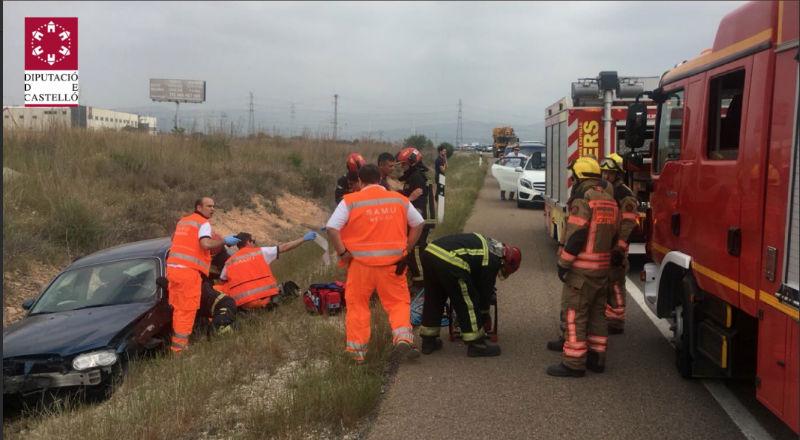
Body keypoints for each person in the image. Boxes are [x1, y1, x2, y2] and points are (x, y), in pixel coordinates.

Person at [326, 164, 425, 364]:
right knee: (398, 303)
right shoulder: (399, 199)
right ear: (380, 179)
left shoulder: (350, 201)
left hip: (361, 266)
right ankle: (403, 338)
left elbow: (332, 227)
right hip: (393, 265)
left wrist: (343, 252)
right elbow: (419, 223)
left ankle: (356, 352)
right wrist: (406, 247)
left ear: (360, 182)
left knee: (357, 305)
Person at [546, 157, 620, 377]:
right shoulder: (609, 200)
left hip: (581, 272)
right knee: (598, 315)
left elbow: (576, 236)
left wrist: (563, 263)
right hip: (602, 270)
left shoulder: (583, 200)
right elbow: (615, 237)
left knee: (574, 314)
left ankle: (574, 363)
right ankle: (597, 359)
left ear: (579, 177)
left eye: (573, 176)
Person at [418, 233, 521, 357]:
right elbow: (484, 293)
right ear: (506, 261)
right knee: (467, 301)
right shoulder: (494, 260)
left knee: (434, 298)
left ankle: (428, 342)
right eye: (504, 270)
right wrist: (484, 317)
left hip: (430, 253)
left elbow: (473, 271)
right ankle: (477, 344)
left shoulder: (491, 246)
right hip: (450, 260)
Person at [166, 197, 239, 353]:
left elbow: (174, 239)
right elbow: (205, 244)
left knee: (179, 310)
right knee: (187, 310)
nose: (212, 209)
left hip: (173, 271)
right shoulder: (203, 223)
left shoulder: (183, 221)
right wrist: (224, 241)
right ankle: (179, 350)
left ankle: (177, 347)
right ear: (199, 207)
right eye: (208, 206)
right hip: (188, 272)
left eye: (213, 206)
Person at [217, 230, 318, 309]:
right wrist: (303, 239)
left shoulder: (229, 262)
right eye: (253, 241)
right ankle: (270, 305)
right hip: (265, 298)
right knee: (290, 288)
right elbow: (284, 247)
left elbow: (222, 282)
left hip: (243, 304)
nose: (255, 244)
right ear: (248, 242)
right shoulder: (260, 252)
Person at [600, 153, 639, 334]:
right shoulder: (605, 190)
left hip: (617, 247)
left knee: (615, 284)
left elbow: (628, 222)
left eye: (610, 173)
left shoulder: (624, 194)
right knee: (605, 283)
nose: (606, 176)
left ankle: (616, 321)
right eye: (604, 172)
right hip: (605, 245)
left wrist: (620, 248)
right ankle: (607, 317)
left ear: (618, 174)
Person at [396, 147, 434, 290]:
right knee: (418, 248)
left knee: (416, 249)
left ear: (412, 162)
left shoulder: (416, 177)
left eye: (404, 164)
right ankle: (420, 280)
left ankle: (421, 283)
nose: (402, 167)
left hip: (421, 218)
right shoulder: (416, 175)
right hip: (421, 218)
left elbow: (414, 200)